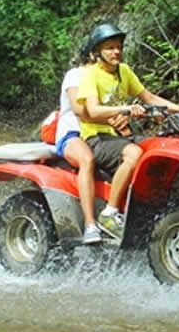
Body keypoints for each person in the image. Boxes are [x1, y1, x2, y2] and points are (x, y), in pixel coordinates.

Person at [77, 23, 179, 240]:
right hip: (95, 138)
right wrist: (126, 109)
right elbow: (92, 110)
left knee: (162, 147)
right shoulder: (91, 75)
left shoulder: (124, 71)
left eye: (118, 46)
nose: (116, 51)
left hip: (119, 136)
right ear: (97, 51)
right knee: (133, 153)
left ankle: (156, 206)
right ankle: (109, 213)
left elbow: (151, 99)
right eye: (109, 47)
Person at [55, 41, 132, 244]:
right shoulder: (76, 75)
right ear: (92, 54)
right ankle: (90, 225)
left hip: (101, 131)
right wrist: (117, 114)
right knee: (87, 160)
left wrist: (121, 120)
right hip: (73, 132)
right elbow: (81, 111)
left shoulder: (109, 77)